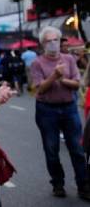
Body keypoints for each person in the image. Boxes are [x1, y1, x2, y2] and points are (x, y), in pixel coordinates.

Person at [31, 26, 89, 199]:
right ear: (42, 44)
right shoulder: (37, 63)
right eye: (49, 41)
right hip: (46, 110)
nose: (53, 43)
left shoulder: (69, 59)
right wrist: (54, 76)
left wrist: (62, 79)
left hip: (69, 107)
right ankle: (58, 183)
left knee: (77, 148)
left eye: (55, 39)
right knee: (51, 149)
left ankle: (83, 185)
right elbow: (39, 89)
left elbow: (77, 84)